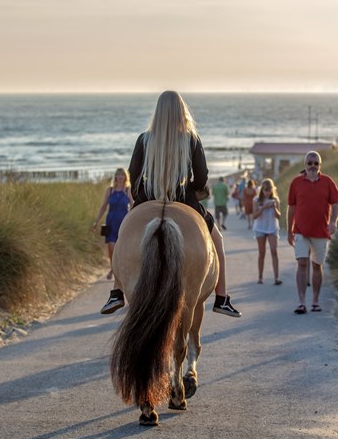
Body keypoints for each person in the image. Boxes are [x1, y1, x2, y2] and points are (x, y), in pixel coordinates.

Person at [124, 90, 241, 317]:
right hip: (184, 200)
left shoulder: (144, 139)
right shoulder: (190, 138)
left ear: (158, 112)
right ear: (181, 111)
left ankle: (117, 291)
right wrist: (195, 191)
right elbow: (202, 175)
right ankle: (222, 297)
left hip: (149, 197)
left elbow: (134, 173)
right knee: (218, 240)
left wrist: (140, 195)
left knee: (123, 235)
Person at [286, 151, 338, 314]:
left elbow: (337, 204)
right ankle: (301, 302)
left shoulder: (327, 182)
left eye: (315, 163)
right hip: (300, 231)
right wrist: (289, 230)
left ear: (320, 166)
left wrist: (333, 222)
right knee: (302, 264)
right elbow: (291, 208)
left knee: (317, 266)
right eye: (309, 163)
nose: (312, 166)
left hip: (321, 232)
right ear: (305, 164)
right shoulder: (296, 183)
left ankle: (315, 301)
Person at [94, 168, 134, 314]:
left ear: (125, 176)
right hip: (111, 222)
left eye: (122, 174)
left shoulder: (127, 190)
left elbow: (133, 204)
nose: (120, 177)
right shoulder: (110, 190)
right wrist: (97, 220)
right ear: (115, 177)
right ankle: (113, 268)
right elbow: (103, 206)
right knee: (111, 249)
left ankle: (114, 270)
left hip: (123, 223)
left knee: (119, 249)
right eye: (118, 174)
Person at [252, 178, 282, 285]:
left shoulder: (275, 200)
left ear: (272, 189)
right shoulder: (256, 200)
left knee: (274, 251)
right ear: (261, 190)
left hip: (272, 228)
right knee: (262, 252)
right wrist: (263, 207)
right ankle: (260, 277)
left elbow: (278, 217)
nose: (267, 192)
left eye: (269, 189)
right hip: (260, 228)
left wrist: (274, 208)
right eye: (265, 189)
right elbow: (254, 216)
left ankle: (277, 277)